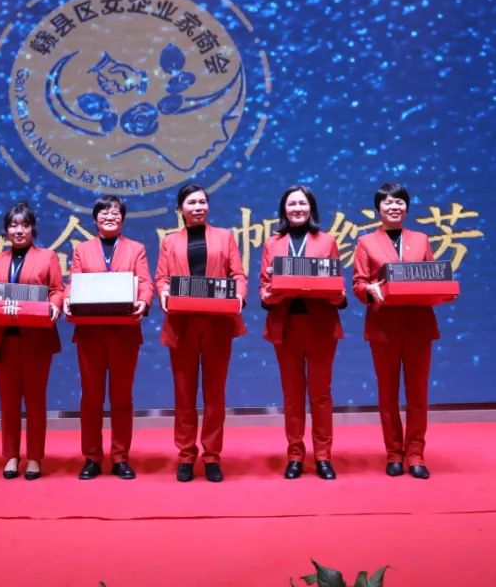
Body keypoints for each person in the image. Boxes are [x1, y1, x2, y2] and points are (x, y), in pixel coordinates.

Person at [154, 183, 247, 483]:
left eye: (202, 202)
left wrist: (240, 296)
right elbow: (161, 278)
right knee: (184, 394)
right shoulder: (170, 241)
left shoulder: (225, 237)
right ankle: (185, 455)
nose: (198, 207)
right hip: (182, 325)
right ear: (180, 209)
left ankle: (211, 456)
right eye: (191, 203)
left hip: (217, 324)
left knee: (214, 394)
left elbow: (238, 275)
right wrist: (163, 292)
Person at [352, 183, 440, 479]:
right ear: (378, 209)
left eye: (399, 202)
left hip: (419, 325)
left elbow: (433, 277)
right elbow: (358, 283)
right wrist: (369, 290)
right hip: (383, 326)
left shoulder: (421, 239)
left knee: (418, 393)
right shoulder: (366, 242)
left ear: (407, 207)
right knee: (387, 393)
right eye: (388, 202)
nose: (394, 207)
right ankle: (393, 452)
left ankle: (415, 453)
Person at [64, 196, 154, 480]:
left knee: (122, 398)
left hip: (125, 334)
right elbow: (73, 282)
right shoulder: (82, 249)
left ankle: (120, 457)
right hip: (90, 334)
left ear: (122, 219)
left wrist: (144, 301)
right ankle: (92, 457)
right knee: (91, 398)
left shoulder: (136, 249)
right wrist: (67, 298)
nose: (110, 216)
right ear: (95, 220)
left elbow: (145, 282)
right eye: (104, 212)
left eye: (115, 212)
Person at [259, 185, 345, 480]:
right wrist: (268, 295)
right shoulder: (273, 243)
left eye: (302, 203)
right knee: (292, 395)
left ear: (311, 208)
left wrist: (338, 294)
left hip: (320, 325)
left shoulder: (327, 240)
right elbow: (264, 286)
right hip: (286, 326)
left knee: (321, 394)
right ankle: (295, 455)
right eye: (292, 204)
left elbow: (336, 282)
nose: (297, 208)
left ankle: (323, 456)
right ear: (284, 209)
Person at [0, 202, 64, 481]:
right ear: (6, 230)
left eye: (25, 225)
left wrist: (55, 305)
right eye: (14, 225)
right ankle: (11, 455)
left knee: (35, 402)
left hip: (37, 341)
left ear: (33, 229)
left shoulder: (47, 257)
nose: (19, 230)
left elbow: (57, 290)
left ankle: (35, 457)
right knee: (8, 403)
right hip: (5, 342)